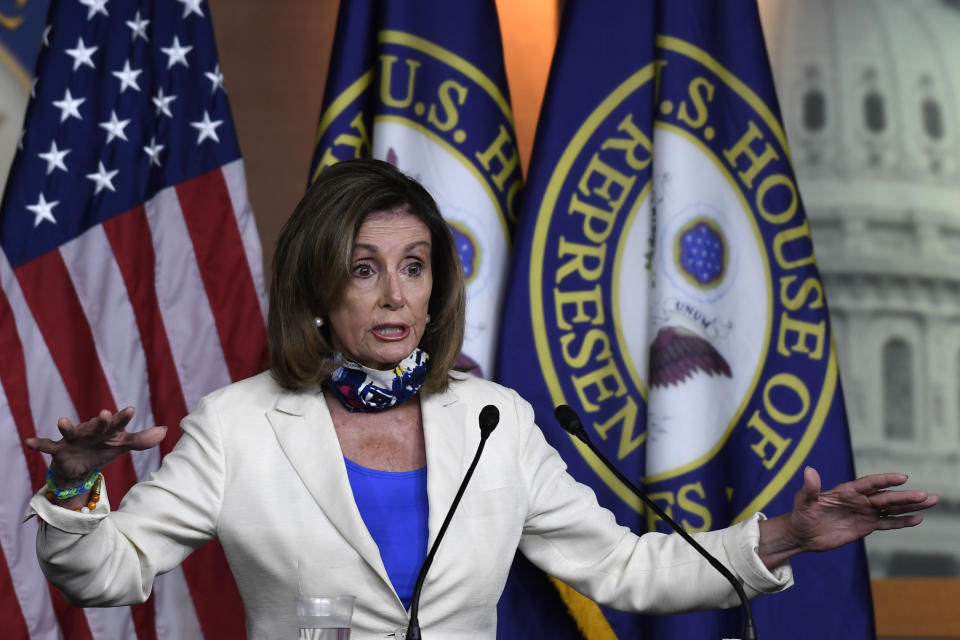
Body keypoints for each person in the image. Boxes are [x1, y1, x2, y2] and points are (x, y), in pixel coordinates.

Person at [25, 159, 937, 639]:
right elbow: (108, 576)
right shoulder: (236, 426)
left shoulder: (493, 422)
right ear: (315, 289)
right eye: (364, 270)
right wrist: (73, 490)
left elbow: (626, 571)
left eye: (414, 268)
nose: (394, 296)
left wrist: (787, 535)